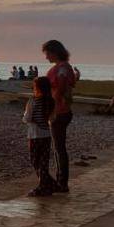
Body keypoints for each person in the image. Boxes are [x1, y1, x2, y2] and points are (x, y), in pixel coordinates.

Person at [42, 39, 75, 192]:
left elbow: (61, 88)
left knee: (59, 148)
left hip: (59, 111)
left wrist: (51, 109)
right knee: (58, 148)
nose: (46, 57)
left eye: (47, 53)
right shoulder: (63, 67)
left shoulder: (62, 68)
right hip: (61, 111)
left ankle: (62, 182)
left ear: (54, 52)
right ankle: (60, 180)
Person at [24, 76, 58, 196]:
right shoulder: (50, 101)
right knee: (43, 162)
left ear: (37, 87)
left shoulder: (32, 100)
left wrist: (26, 118)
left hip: (34, 135)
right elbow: (52, 119)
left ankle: (44, 187)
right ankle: (51, 185)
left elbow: (27, 118)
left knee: (35, 161)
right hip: (46, 135)